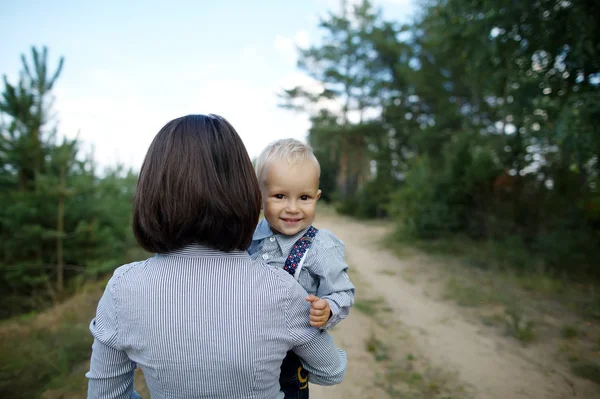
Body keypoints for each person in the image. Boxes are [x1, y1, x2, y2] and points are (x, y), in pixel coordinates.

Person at [85, 115, 347, 398]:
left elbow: (105, 394)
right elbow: (331, 371)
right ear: (247, 192)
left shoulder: (123, 287)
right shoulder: (281, 290)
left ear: (152, 190)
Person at [248, 139, 355, 399]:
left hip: (296, 345)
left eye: (304, 197)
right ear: (259, 198)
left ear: (317, 197)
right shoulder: (247, 238)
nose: (293, 208)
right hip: (253, 342)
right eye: (280, 196)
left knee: (326, 372)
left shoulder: (320, 246)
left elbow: (343, 292)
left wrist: (327, 308)